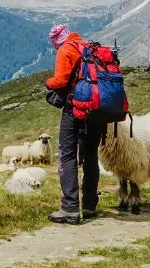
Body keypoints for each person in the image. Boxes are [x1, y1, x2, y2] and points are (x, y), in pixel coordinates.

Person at [43, 24, 106, 224]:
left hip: (74, 109)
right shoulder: (86, 47)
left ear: (57, 39)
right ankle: (89, 205)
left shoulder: (66, 50)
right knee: (90, 155)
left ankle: (70, 208)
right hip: (96, 110)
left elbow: (60, 80)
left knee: (68, 155)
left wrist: (48, 82)